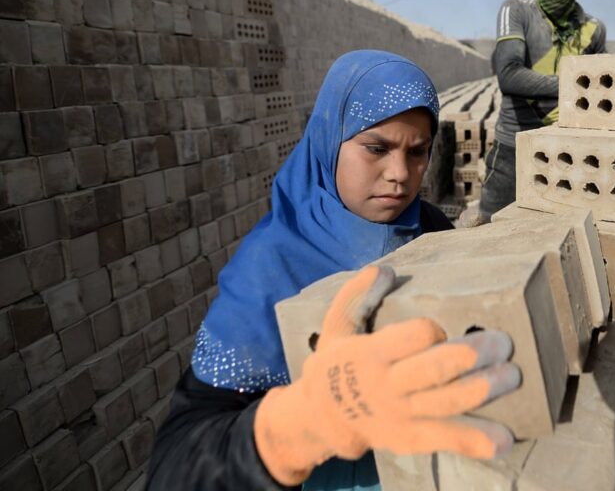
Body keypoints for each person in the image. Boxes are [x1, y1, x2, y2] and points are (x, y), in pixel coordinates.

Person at [146, 50, 520, 490]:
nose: (399, 174)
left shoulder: (431, 228)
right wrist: (300, 428)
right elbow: (175, 465)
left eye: (417, 152)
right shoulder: (269, 268)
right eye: (376, 149)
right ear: (329, 140)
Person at [478, 0, 607, 221]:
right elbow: (509, 75)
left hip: (567, 152)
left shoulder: (593, 29)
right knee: (489, 230)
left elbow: (601, 94)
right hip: (513, 148)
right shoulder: (517, 11)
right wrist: (576, 85)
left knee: (556, 233)